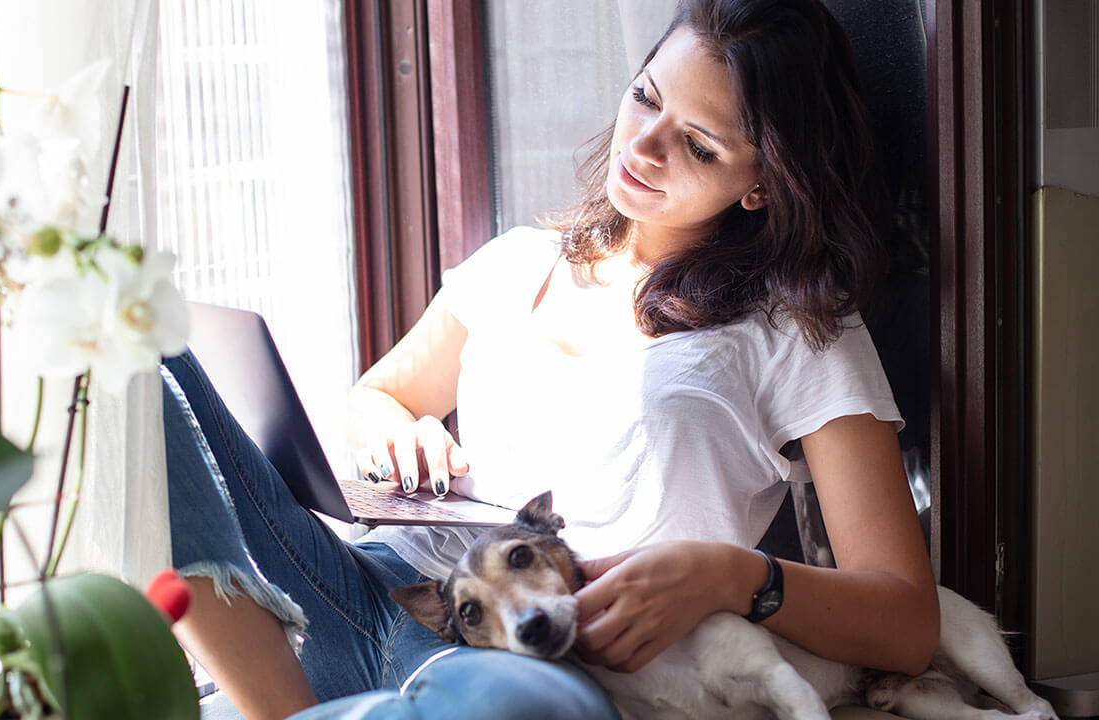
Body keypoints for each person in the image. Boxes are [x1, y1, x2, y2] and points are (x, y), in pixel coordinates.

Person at [161, 1, 939, 718]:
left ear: (763, 183)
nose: (644, 145)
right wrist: (393, 429)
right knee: (153, 373)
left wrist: (732, 575)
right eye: (644, 97)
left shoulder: (798, 329)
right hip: (381, 592)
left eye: (699, 145)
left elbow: (905, 619)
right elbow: (377, 397)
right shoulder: (517, 263)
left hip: (553, 659)